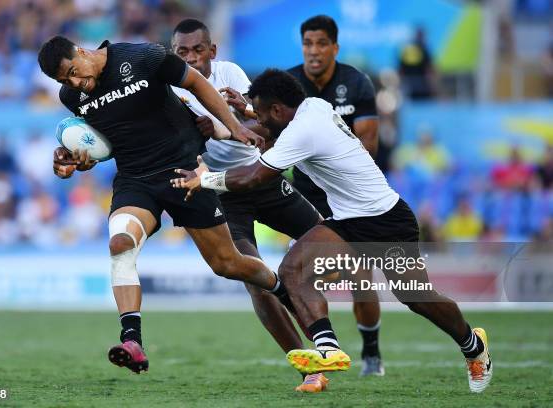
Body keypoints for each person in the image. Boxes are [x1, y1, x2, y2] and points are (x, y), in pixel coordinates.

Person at [171, 69, 493, 393]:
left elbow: (254, 176)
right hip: (348, 221)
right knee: (293, 269)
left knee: (416, 298)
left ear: (279, 110)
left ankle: (473, 345)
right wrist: (250, 110)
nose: (259, 125)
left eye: (263, 115)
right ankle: (329, 349)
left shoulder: (301, 132)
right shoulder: (314, 105)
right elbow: (272, 123)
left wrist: (205, 180)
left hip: (388, 219)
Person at [37, 36, 291, 375]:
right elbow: (107, 144)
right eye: (63, 81)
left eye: (72, 72)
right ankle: (132, 341)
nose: (73, 83)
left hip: (183, 173)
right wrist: (78, 161)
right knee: (120, 242)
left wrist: (235, 128)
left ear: (81, 52)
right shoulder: (72, 97)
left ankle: (281, 288)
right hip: (135, 181)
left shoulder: (143, 57)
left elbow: (198, 83)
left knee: (227, 264)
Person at [170, 18, 327, 392]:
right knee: (254, 279)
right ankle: (311, 370)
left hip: (261, 178)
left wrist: (226, 124)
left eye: (197, 50)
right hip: (223, 193)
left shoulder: (231, 75)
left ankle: (329, 338)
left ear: (212, 51)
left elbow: (264, 133)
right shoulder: (168, 91)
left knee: (328, 239)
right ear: (173, 54)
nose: (191, 58)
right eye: (182, 52)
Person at [287, 14, 383, 376]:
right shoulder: (289, 84)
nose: (314, 51)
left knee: (360, 279)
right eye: (308, 44)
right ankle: (323, 353)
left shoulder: (356, 83)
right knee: (301, 277)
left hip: (350, 199)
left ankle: (371, 352)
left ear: (334, 48)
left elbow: (369, 146)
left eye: (321, 44)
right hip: (304, 200)